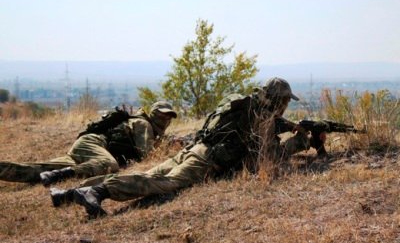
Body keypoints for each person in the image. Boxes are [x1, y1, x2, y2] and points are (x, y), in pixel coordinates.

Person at [50, 78, 326, 218]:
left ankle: (70, 193)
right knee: (164, 184)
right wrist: (303, 141)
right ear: (279, 101)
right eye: (286, 101)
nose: (286, 106)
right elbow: (269, 156)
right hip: (205, 159)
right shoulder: (262, 118)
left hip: (195, 147)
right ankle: (97, 191)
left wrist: (290, 128)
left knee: (150, 174)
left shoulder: (248, 106)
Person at [0, 101, 177, 186]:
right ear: (153, 114)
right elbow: (147, 154)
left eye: (169, 117)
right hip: (94, 144)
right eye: (161, 115)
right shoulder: (143, 124)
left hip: (88, 149)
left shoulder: (148, 128)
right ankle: (60, 175)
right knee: (109, 164)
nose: (165, 119)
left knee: (39, 170)